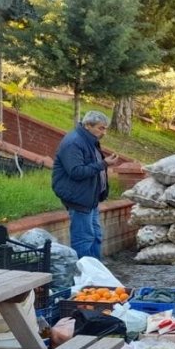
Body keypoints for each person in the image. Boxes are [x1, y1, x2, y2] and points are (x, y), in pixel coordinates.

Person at [52, 110, 120, 260]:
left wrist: (103, 164)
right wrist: (103, 164)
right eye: (101, 128)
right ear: (88, 125)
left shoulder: (89, 140)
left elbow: (92, 165)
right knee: (84, 239)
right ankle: (85, 274)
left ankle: (97, 272)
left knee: (95, 235)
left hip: (90, 198)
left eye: (105, 128)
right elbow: (76, 171)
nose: (104, 132)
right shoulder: (74, 142)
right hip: (78, 197)